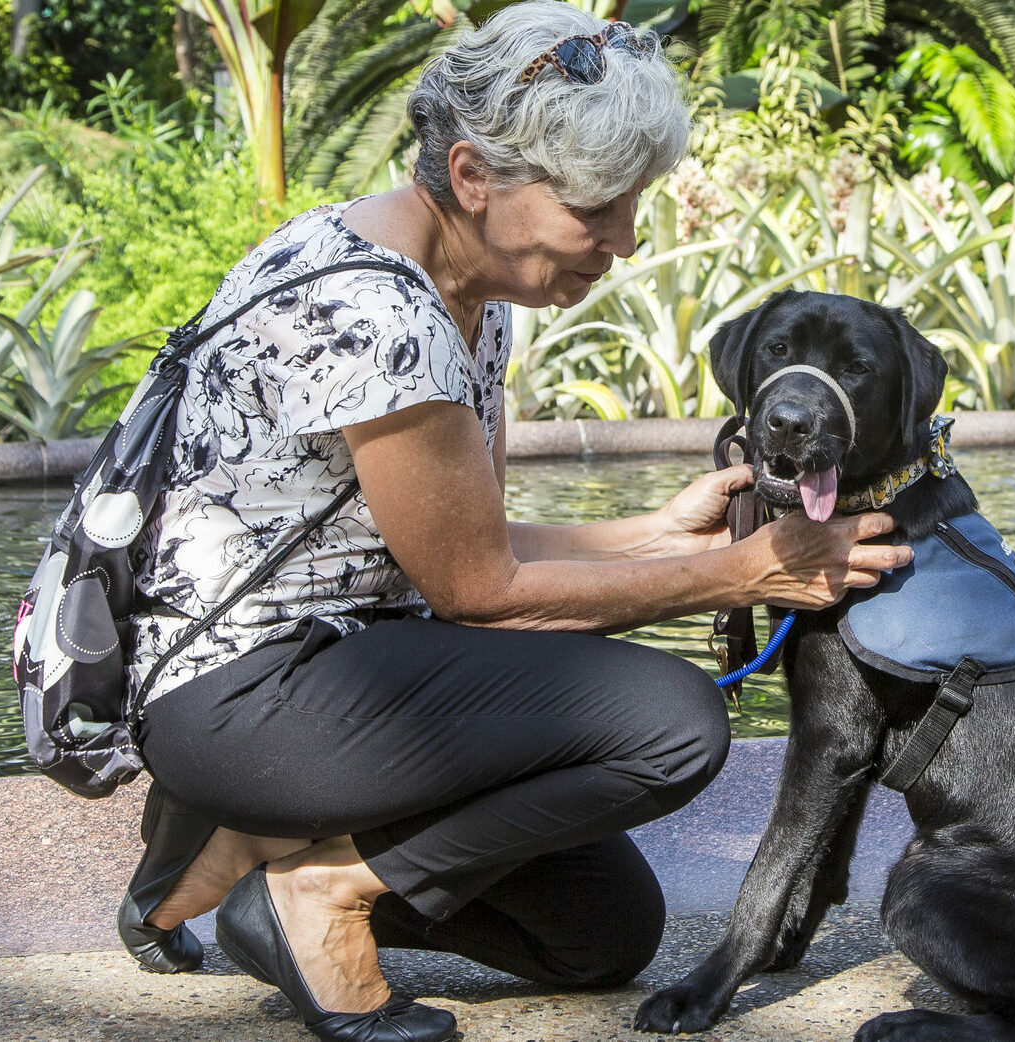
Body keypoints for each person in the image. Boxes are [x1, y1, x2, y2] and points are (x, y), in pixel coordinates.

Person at [110, 4, 911, 1041]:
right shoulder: (376, 313)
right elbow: (477, 596)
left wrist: (661, 532)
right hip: (243, 690)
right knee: (672, 723)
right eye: (597, 208)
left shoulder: (464, 288)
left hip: (353, 659)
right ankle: (323, 894)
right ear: (475, 176)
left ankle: (260, 841)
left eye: (634, 207)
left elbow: (467, 544)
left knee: (599, 937)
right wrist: (744, 573)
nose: (623, 243)